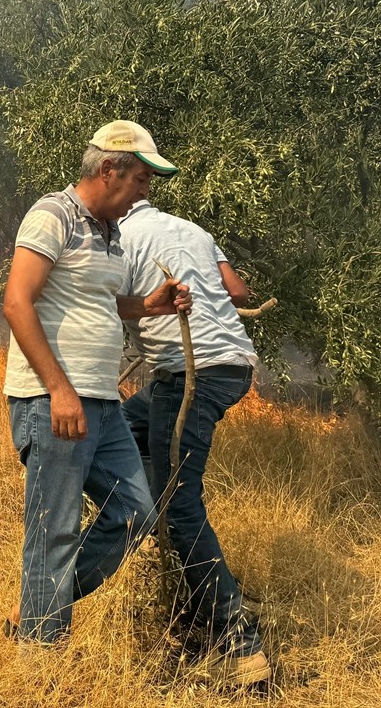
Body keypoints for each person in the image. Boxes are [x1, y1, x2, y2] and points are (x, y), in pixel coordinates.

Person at [3, 119, 188, 645]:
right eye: (141, 181)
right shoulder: (52, 214)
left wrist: (150, 305)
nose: (145, 193)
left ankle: (38, 608)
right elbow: (17, 301)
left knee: (135, 515)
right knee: (55, 532)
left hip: (104, 402)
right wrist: (60, 390)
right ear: (110, 169)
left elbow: (103, 303)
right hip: (54, 399)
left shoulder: (111, 234)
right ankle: (40, 657)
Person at [118, 199, 270, 687]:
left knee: (178, 503)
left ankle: (238, 640)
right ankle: (159, 536)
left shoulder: (121, 238)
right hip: (233, 365)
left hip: (192, 372)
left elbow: (107, 300)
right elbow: (237, 289)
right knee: (129, 422)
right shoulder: (194, 230)